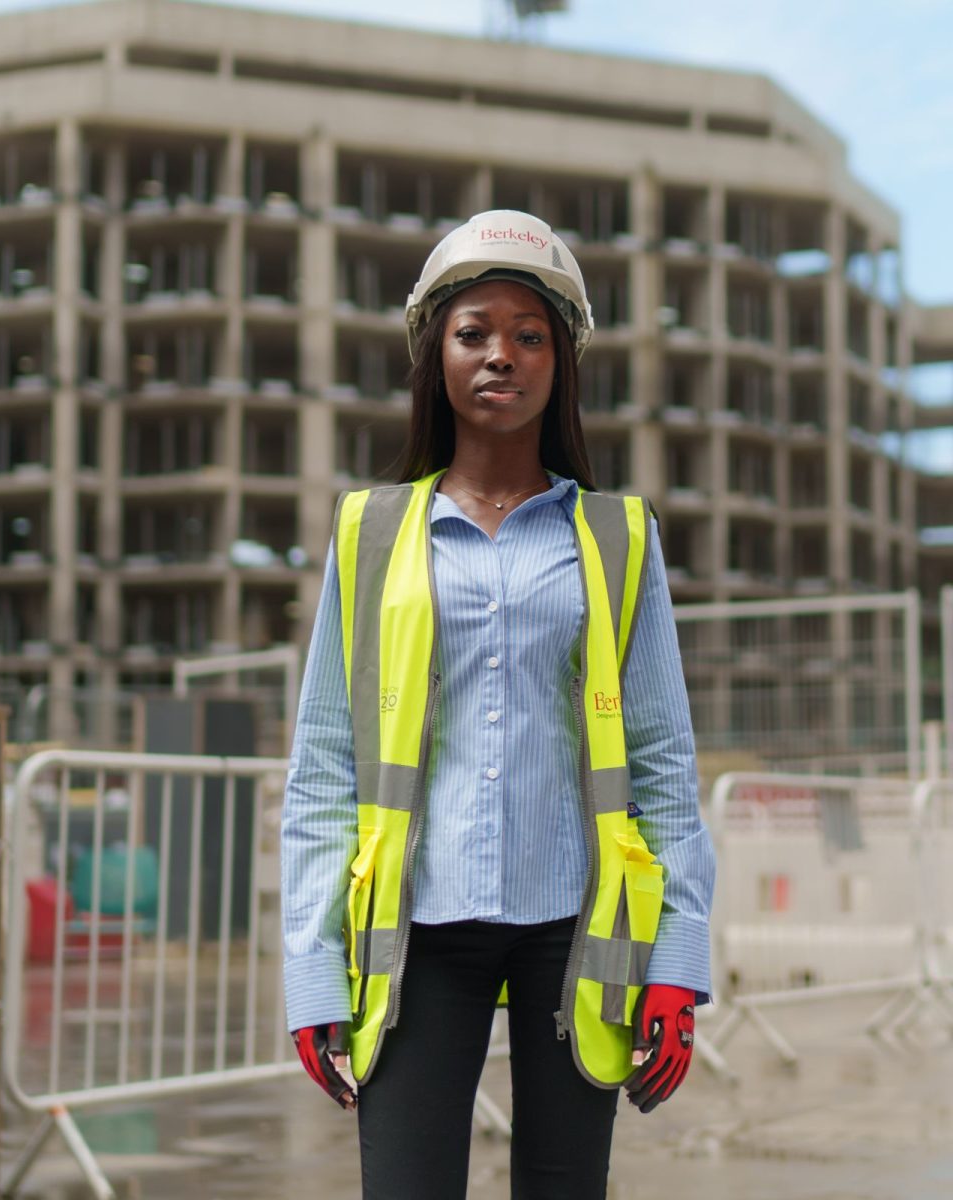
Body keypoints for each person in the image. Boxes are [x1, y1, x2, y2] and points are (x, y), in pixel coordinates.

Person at [280, 209, 715, 1199]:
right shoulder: (372, 533)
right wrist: (312, 970)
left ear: (561, 364)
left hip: (579, 926)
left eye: (530, 336)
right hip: (420, 932)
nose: (500, 356)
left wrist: (680, 961)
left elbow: (659, 758)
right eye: (474, 331)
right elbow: (324, 767)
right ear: (435, 352)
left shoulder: (616, 538)